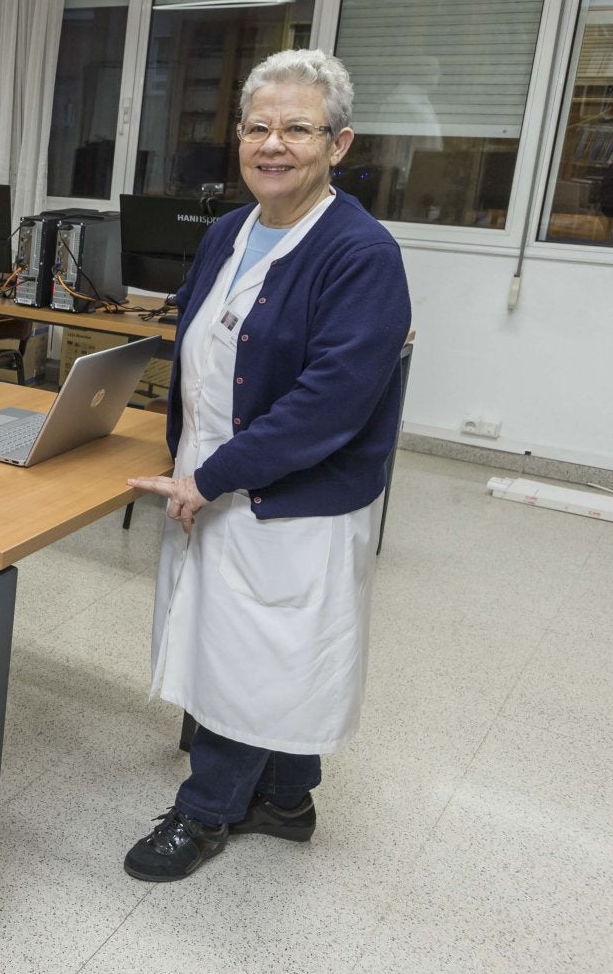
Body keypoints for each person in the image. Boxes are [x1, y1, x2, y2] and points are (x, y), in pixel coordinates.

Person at [123, 50, 411, 882]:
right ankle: (286, 795)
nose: (273, 144)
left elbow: (330, 401)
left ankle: (205, 810)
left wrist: (212, 477)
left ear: (339, 143)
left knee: (256, 654)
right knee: (254, 644)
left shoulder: (361, 252)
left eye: (297, 128)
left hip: (293, 495)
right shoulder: (229, 229)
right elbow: (208, 344)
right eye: (258, 126)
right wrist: (188, 457)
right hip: (212, 474)